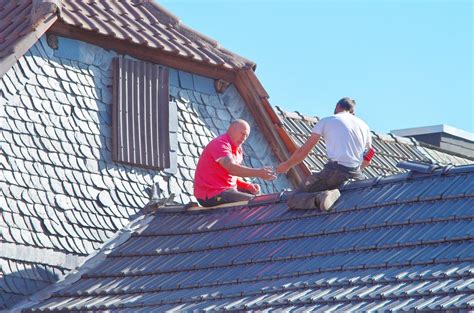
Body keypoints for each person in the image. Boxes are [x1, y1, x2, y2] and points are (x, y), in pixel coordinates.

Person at [276, 97, 374, 211]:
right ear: (352, 111)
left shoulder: (327, 121)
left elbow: (304, 151)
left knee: (294, 197)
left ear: (338, 106)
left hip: (334, 171)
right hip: (356, 174)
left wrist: (287, 165)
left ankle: (320, 198)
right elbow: (367, 160)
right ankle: (335, 192)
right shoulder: (364, 126)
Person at [194, 119, 276, 207]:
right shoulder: (220, 144)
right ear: (232, 130)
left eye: (246, 136)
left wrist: (247, 186)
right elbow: (232, 168)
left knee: (258, 196)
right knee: (254, 203)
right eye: (242, 133)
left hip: (226, 190)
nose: (244, 138)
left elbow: (232, 176)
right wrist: (259, 173)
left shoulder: (238, 150)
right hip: (211, 194)